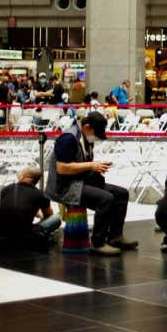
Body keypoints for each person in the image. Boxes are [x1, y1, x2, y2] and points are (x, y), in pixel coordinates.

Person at [44, 110, 137, 256]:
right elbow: (62, 168)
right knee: (106, 198)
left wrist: (96, 167)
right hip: (65, 187)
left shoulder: (85, 139)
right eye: (96, 133)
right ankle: (97, 243)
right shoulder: (68, 139)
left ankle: (115, 236)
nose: (97, 138)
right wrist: (91, 165)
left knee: (121, 193)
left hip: (80, 181)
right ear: (87, 127)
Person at [0, 166, 61, 252]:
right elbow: (48, 215)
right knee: (56, 218)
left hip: (0, 240)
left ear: (23, 176)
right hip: (25, 241)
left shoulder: (6, 189)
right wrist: (38, 213)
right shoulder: (39, 194)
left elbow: (12, 208)